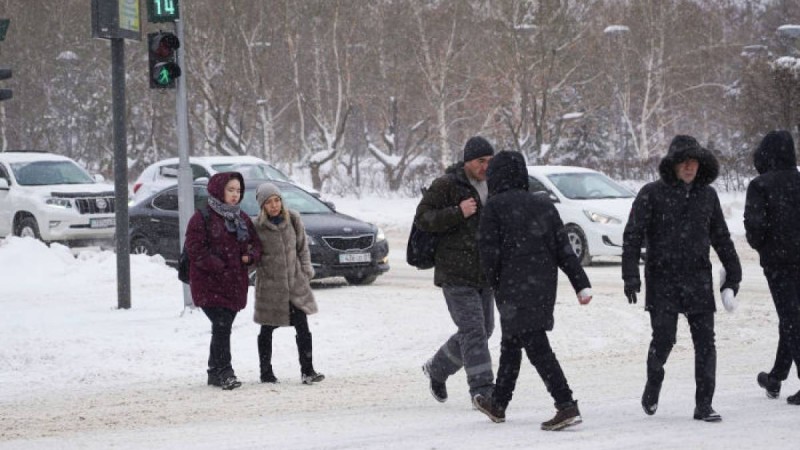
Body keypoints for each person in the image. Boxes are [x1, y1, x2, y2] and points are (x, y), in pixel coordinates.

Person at [622, 135, 742, 422]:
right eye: (684, 162)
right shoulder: (651, 193)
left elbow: (721, 238)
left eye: (695, 162)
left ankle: (704, 405)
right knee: (664, 339)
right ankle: (653, 382)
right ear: (673, 165)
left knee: (706, 343)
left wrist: (733, 273)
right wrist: (630, 276)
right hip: (662, 278)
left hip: (698, 277)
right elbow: (632, 235)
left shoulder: (708, 196)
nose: (690, 167)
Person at [474, 150, 593, 430]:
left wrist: (495, 285)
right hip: (541, 290)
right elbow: (565, 250)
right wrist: (581, 284)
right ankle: (498, 405)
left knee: (536, 347)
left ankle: (566, 405)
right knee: (511, 345)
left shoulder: (495, 207)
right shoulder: (544, 206)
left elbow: (488, 254)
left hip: (513, 290)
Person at [415, 136, 496, 403]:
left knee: (484, 331)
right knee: (473, 331)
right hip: (455, 272)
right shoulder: (446, 185)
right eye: (480, 161)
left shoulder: (493, 185)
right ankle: (483, 391)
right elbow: (423, 219)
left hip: (484, 272)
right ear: (467, 162)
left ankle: (437, 369)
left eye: (489, 161)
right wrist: (457, 212)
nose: (486, 166)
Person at [185, 171, 262, 390]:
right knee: (222, 325)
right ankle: (226, 372)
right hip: (209, 284)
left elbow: (256, 244)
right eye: (230, 190)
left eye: (238, 190)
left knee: (222, 327)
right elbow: (195, 249)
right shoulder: (202, 217)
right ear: (219, 190)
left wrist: (250, 257)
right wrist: (221, 266)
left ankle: (213, 372)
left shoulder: (242, 218)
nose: (235, 195)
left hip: (234, 284)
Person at [743, 130, 800, 405]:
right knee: (792, 318)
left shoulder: (760, 185)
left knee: (792, 319)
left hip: (780, 263)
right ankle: (776, 376)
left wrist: (765, 246)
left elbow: (754, 228)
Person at [253, 182, 324, 385]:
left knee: (303, 327)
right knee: (267, 330)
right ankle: (266, 372)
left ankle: (308, 371)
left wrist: (306, 270)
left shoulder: (293, 218)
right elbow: (253, 253)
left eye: (277, 200)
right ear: (262, 206)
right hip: (270, 288)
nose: (274, 205)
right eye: (269, 202)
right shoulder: (257, 226)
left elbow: (302, 248)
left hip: (295, 285)